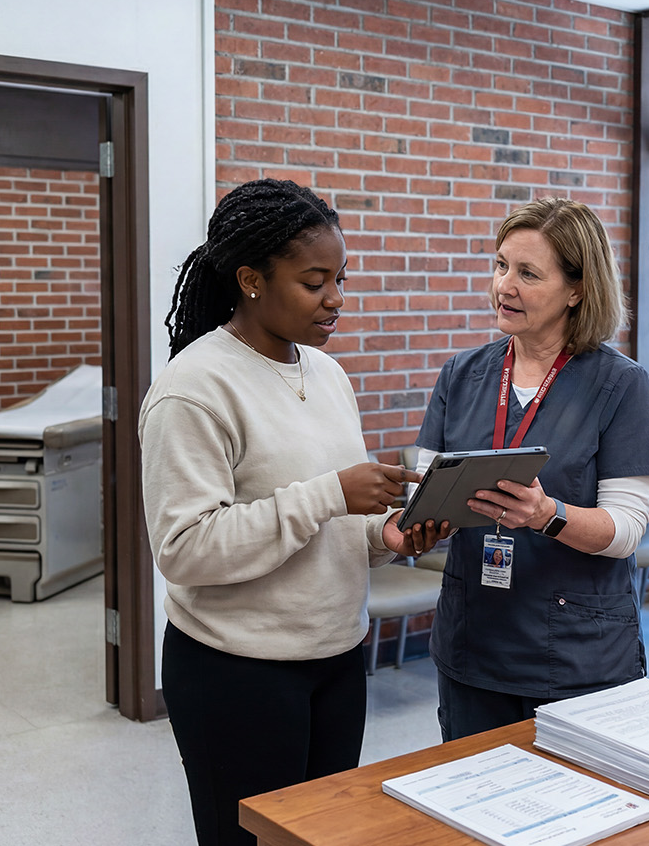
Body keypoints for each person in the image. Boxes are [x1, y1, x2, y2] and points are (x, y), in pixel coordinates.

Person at [139, 179, 448, 846]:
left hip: (337, 657)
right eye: (315, 282)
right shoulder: (193, 389)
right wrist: (331, 494)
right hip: (236, 672)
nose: (336, 299)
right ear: (251, 279)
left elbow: (330, 526)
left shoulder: (326, 373)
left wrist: (388, 534)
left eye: (340, 278)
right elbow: (185, 549)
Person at [412, 197, 649, 741]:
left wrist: (547, 515)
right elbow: (426, 488)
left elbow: (625, 533)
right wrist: (418, 521)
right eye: (501, 265)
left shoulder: (622, 386)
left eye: (528, 273)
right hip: (472, 645)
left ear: (576, 289)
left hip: (577, 656)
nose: (505, 285)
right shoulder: (461, 375)